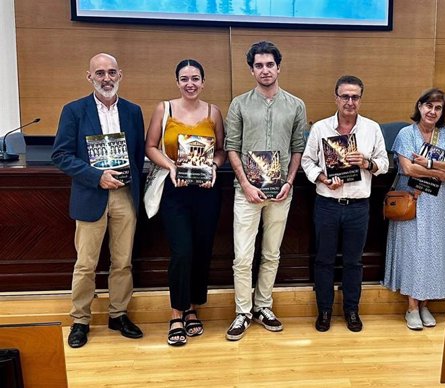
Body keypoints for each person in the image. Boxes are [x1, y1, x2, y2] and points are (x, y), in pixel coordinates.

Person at [52, 53, 145, 348]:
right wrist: (96, 176)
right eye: (100, 73)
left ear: (121, 75)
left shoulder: (133, 111)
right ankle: (80, 320)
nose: (107, 78)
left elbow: (138, 153)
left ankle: (118, 315)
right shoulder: (74, 110)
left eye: (112, 72)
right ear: (89, 77)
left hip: (124, 195)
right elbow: (61, 155)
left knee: (123, 262)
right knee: (86, 264)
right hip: (92, 194)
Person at [224, 41, 307, 341]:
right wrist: (245, 183)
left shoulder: (296, 105)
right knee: (243, 256)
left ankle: (263, 307)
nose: (265, 70)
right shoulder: (239, 104)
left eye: (269, 64)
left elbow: (298, 148)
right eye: (258, 65)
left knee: (271, 253)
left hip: (281, 192)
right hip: (246, 192)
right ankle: (243, 312)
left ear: (278, 67)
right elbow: (231, 146)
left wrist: (289, 181)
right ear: (251, 70)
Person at [145, 59, 226, 346]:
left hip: (206, 192)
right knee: (182, 252)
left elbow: (219, 151)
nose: (190, 83)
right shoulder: (163, 109)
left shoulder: (213, 112)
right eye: (184, 78)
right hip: (174, 190)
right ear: (177, 82)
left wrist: (213, 167)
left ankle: (193, 310)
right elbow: (150, 146)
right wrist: (171, 166)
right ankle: (176, 313)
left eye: (195, 78)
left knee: (202, 251)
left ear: (203, 82)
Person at [301, 75, 389, 332]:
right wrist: (322, 178)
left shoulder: (371, 128)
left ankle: (351, 310)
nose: (350, 101)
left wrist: (366, 163)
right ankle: (325, 311)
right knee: (324, 260)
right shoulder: (320, 128)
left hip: (358, 206)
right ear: (336, 98)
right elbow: (307, 161)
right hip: (327, 203)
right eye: (345, 96)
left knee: (354, 262)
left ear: (360, 99)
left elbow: (383, 164)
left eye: (355, 97)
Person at [383, 88, 445, 330]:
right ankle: (411, 307)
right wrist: (439, 171)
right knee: (414, 250)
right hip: (412, 198)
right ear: (419, 107)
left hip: (438, 201)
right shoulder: (406, 133)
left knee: (434, 251)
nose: (432, 111)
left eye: (438, 108)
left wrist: (428, 163)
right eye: (428, 106)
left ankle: (425, 304)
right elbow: (408, 168)